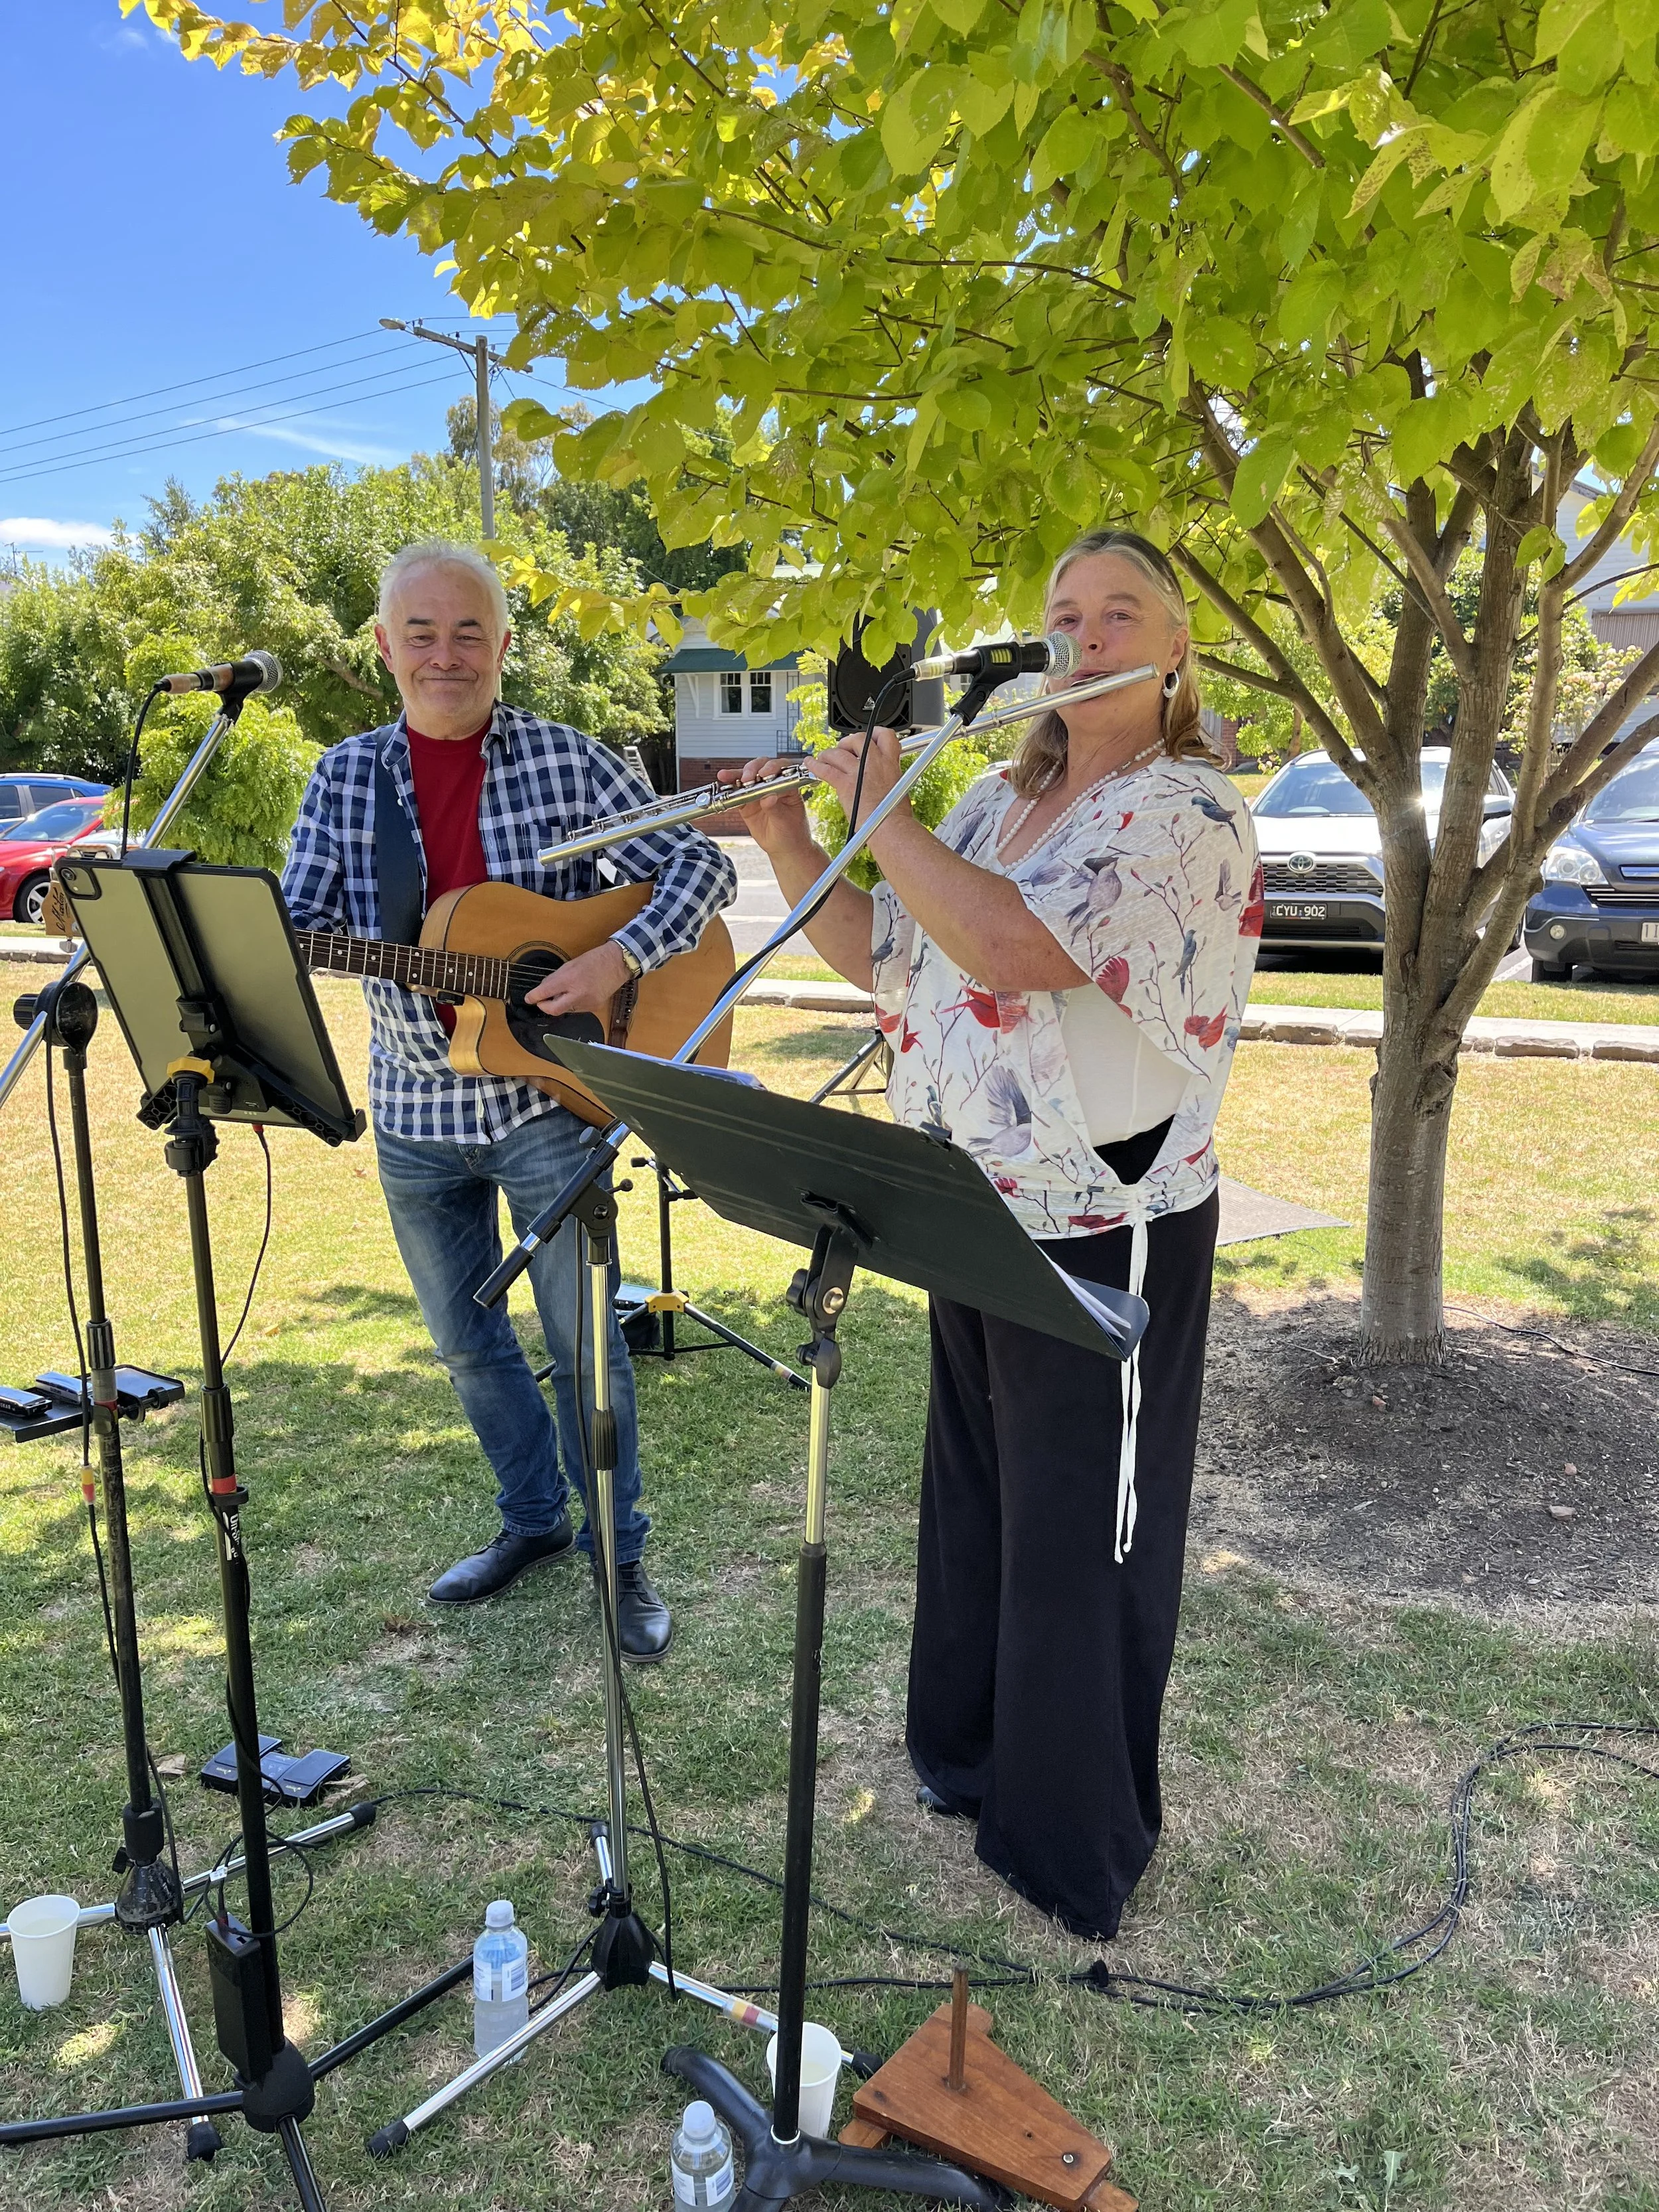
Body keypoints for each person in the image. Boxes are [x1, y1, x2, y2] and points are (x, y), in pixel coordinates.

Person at [727, 528, 1263, 1938]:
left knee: (1082, 1536)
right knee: (977, 1510)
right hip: (968, 1200)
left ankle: (1068, 1840)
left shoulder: (1184, 812)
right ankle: (964, 1764)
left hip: (1104, 1220)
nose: (1080, 638)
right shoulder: (985, 804)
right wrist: (796, 832)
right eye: (1062, 613)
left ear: (1173, 649)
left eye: (1116, 614)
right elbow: (889, 955)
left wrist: (879, 807)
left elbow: (1021, 950)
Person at [282, 540, 735, 1659]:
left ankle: (620, 1554)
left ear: (503, 644)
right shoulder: (347, 777)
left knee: (589, 1344)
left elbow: (703, 870)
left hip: (552, 1106)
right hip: (415, 1112)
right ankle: (533, 1519)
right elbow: (295, 916)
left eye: (469, 631)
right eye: (422, 634)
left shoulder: (572, 762)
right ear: (384, 647)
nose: (447, 655)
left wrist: (620, 957)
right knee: (467, 1342)